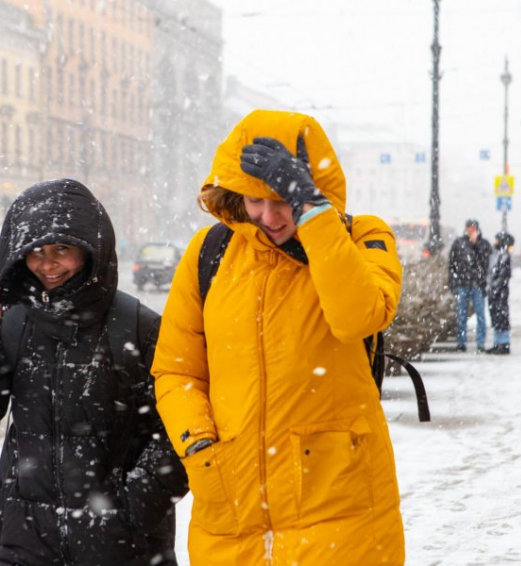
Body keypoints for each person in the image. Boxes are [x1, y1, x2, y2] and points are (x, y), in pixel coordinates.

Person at [151, 110, 405, 565]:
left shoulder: (362, 236)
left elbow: (358, 316)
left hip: (341, 511)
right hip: (232, 511)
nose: (268, 216)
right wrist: (199, 445)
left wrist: (314, 213)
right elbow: (176, 369)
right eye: (253, 200)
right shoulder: (209, 253)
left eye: (282, 199)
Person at [0, 179, 188, 566]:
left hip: (122, 552)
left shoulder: (139, 327)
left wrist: (128, 511)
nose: (47, 264)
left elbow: (179, 433)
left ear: (91, 251)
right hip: (21, 546)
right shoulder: (14, 321)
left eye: (61, 249)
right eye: (35, 252)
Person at [448, 219, 492, 352]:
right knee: (461, 315)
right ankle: (461, 343)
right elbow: (452, 264)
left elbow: (486, 262)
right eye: (469, 228)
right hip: (463, 283)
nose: (471, 231)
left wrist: (476, 245)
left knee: (480, 315)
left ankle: (480, 344)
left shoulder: (483, 244)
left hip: (478, 284)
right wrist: (453, 283)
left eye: (473, 228)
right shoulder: (459, 243)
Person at [487, 231, 514, 355]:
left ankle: (503, 343)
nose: (495, 242)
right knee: (496, 316)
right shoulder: (497, 254)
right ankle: (498, 342)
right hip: (495, 291)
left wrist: (495, 287)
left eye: (497, 240)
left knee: (501, 316)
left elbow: (503, 275)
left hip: (500, 291)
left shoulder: (504, 256)